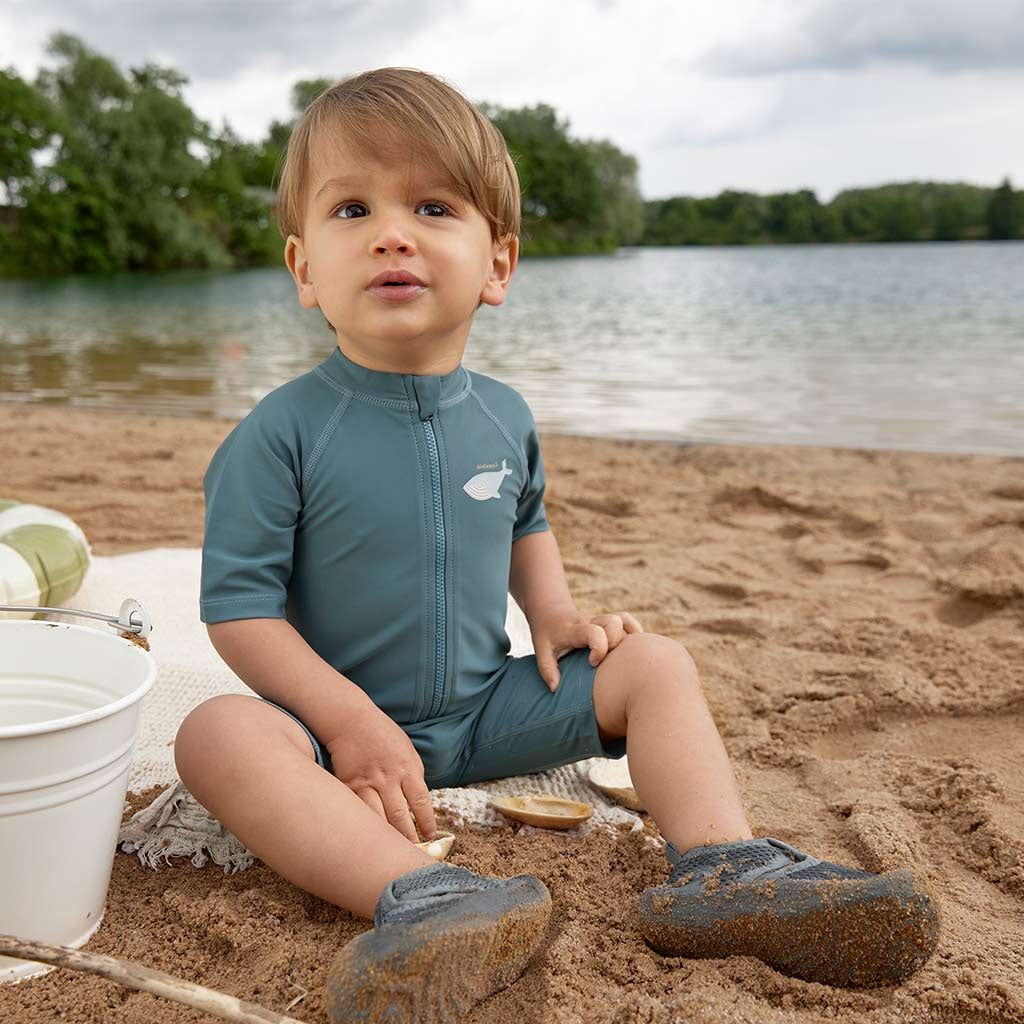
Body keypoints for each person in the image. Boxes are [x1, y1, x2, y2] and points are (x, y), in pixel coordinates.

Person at [175, 67, 939, 1022]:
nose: (391, 232)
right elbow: (238, 611)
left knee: (655, 663)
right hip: (337, 738)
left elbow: (525, 522)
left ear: (497, 265)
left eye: (433, 205)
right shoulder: (280, 433)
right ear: (302, 269)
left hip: (487, 708)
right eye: (353, 208)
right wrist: (346, 721)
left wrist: (557, 615)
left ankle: (721, 867)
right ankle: (423, 896)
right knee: (217, 736)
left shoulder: (503, 416)